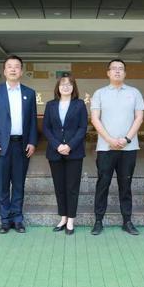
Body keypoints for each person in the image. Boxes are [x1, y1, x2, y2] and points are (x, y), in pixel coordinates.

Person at [90, 59, 144, 236]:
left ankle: (127, 221)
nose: (117, 72)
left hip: (128, 148)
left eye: (121, 69)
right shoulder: (99, 93)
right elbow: (95, 119)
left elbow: (139, 117)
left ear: (125, 73)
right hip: (105, 148)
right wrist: (109, 139)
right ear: (108, 73)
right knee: (102, 184)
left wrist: (127, 139)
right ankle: (98, 220)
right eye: (114, 69)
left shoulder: (134, 92)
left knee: (126, 185)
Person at [0, 55, 38, 234]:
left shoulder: (29, 93)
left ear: (22, 71)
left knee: (18, 184)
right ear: (4, 71)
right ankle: (5, 219)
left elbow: (32, 121)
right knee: (2, 184)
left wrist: (32, 141)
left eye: (17, 66)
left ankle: (17, 218)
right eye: (10, 66)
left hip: (22, 145)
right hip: (1, 146)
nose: (13, 69)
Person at [43, 73, 88, 235]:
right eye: (63, 84)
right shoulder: (50, 105)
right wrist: (57, 145)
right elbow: (46, 128)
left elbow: (83, 128)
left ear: (73, 87)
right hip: (55, 153)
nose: (66, 87)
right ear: (58, 87)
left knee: (72, 187)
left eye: (69, 84)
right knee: (59, 187)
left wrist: (69, 145)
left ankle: (71, 220)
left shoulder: (80, 105)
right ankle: (62, 217)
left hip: (74, 152)